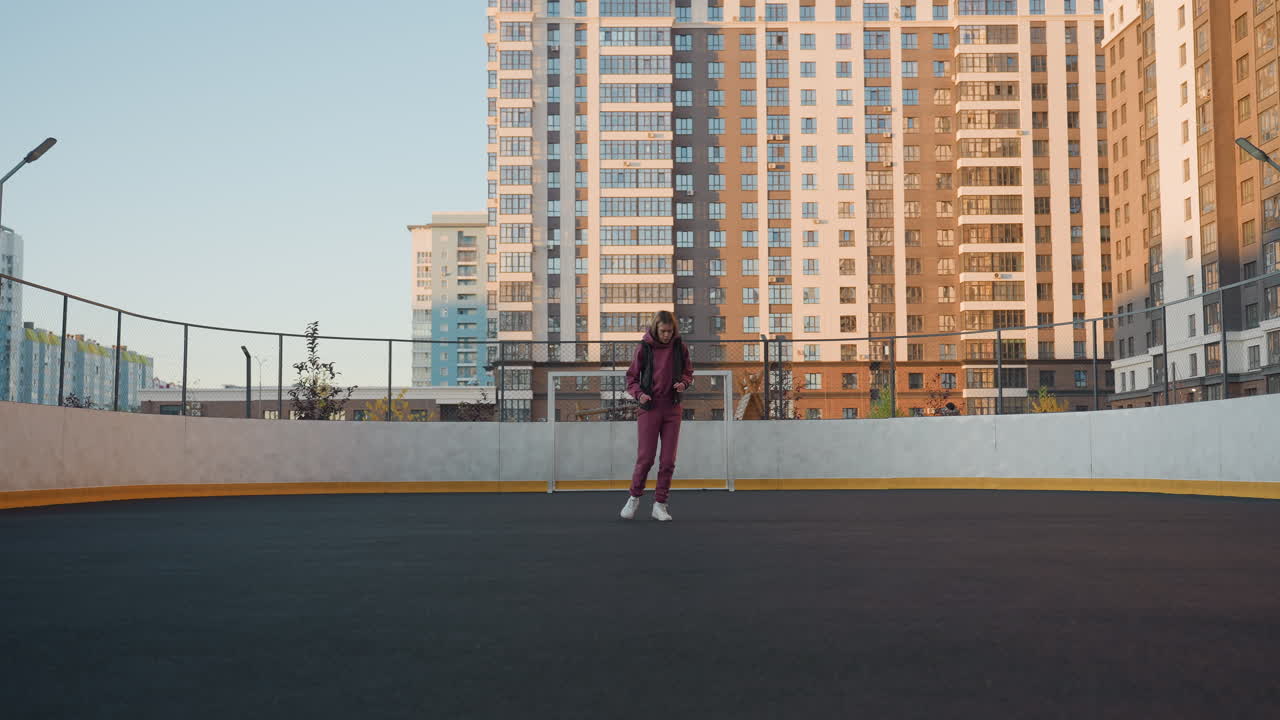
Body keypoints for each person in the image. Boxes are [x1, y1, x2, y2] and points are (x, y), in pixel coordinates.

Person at [620, 310, 693, 522]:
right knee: (646, 458)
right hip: (649, 408)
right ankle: (634, 497)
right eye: (663, 331)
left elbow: (688, 372)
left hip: (672, 407)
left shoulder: (680, 347)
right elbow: (631, 378)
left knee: (668, 460)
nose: (667, 335)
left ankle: (660, 504)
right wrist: (639, 394)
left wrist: (684, 383)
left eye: (670, 331)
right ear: (655, 328)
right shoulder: (644, 347)